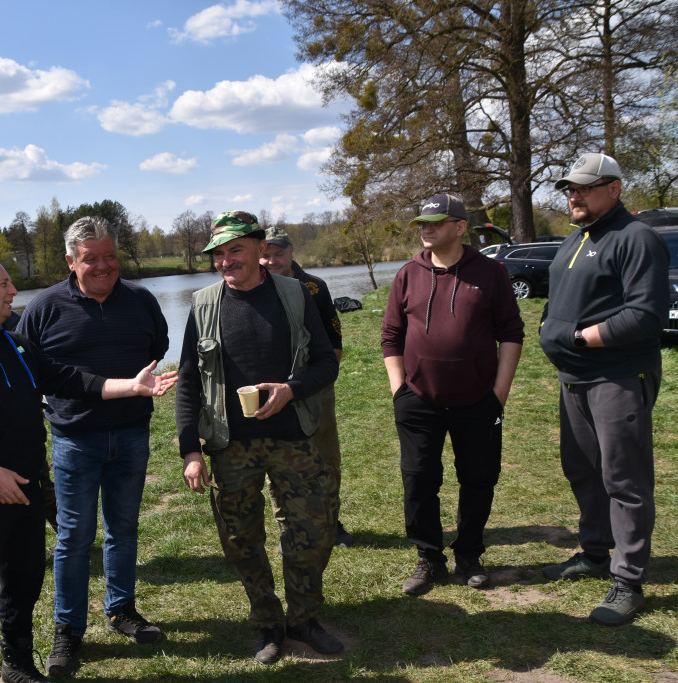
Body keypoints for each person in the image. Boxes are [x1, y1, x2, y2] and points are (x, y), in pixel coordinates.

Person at [0, 259, 176, 681]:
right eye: (4, 283)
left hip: (28, 487)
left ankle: (16, 664)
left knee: (24, 581)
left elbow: (68, 379)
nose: (14, 290)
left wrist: (132, 386)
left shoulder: (14, 342)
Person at [177, 211, 343, 664]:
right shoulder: (204, 304)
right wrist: (190, 449)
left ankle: (304, 618)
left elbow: (327, 363)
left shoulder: (295, 295)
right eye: (219, 254)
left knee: (312, 532)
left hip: (295, 437)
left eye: (235, 251)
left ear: (257, 249)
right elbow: (190, 381)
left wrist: (292, 389)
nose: (226, 261)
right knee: (240, 539)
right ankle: (267, 622)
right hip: (231, 446)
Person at [16, 216, 169, 675]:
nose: (103, 266)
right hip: (72, 439)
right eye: (90, 259)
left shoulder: (142, 300)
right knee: (73, 536)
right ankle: (68, 629)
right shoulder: (43, 308)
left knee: (123, 528)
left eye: (110, 257)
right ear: (70, 260)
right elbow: (28, 373)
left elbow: (157, 346)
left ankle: (121, 609)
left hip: (132, 434)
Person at [539, 152, 669, 626]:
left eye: (584, 188)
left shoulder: (636, 238)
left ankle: (629, 580)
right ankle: (595, 551)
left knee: (624, 478)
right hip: (573, 378)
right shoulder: (576, 237)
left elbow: (645, 315)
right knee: (582, 468)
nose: (574, 196)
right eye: (570, 189)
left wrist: (578, 336)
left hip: (617, 376)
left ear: (613, 188)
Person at [380, 194, 524, 596]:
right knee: (419, 480)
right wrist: (398, 390)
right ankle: (429, 558)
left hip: (479, 399)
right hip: (418, 400)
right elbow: (390, 337)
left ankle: (469, 555)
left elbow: (511, 333)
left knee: (478, 479)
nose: (427, 228)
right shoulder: (408, 274)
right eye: (423, 223)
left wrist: (499, 394)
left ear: (460, 227)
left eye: (437, 222)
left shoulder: (491, 273)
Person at [260, 226, 352, 548]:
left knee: (325, 458)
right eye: (266, 254)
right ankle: (289, 525)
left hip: (314, 386)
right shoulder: (253, 287)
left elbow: (334, 343)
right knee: (278, 461)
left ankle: (332, 522)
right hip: (272, 391)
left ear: (291, 252)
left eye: (279, 253)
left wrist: (315, 380)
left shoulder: (315, 287)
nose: (272, 261)